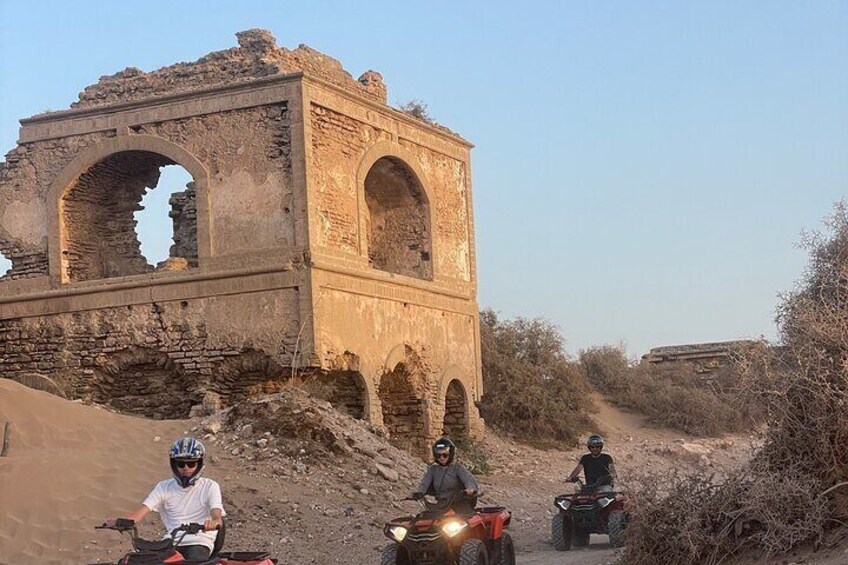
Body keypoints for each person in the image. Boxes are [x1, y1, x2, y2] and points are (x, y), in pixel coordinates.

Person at [105, 437, 225, 560]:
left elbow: (216, 513)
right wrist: (121, 521)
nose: (185, 468)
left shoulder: (210, 486)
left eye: (191, 463)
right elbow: (142, 510)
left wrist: (214, 522)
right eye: (180, 463)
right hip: (170, 542)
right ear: (174, 464)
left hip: (199, 541)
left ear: (199, 464)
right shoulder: (164, 487)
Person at [412, 437, 479, 514]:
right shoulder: (433, 469)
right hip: (441, 505)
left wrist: (470, 489)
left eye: (445, 455)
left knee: (465, 523)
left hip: (459, 504)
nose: (441, 457)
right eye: (438, 455)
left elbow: (468, 480)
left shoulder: (458, 468)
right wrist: (419, 492)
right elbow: (424, 483)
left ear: (450, 454)